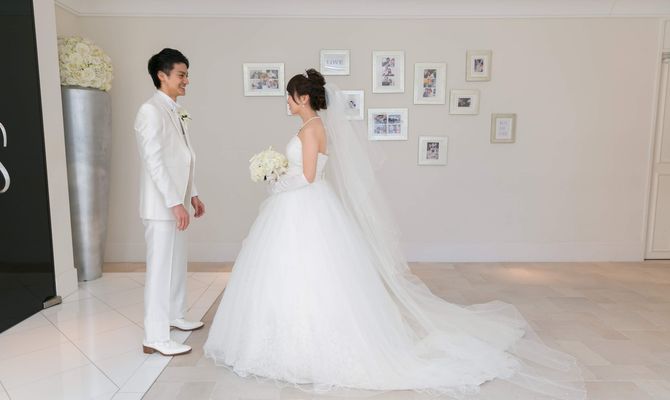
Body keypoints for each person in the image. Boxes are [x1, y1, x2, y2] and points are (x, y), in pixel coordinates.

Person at [204, 69, 585, 399]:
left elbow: (306, 176)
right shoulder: (313, 127)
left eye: (289, 96)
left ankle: (301, 347)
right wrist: (277, 177)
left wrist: (274, 179)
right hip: (308, 206)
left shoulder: (310, 129)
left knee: (303, 273)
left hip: (303, 205)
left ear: (302, 98)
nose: (286, 102)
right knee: (305, 274)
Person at [134, 48, 206, 356]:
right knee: (160, 270)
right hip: (161, 206)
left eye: (187, 74)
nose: (186, 80)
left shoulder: (176, 110)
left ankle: (175, 315)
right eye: (181, 75)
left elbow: (183, 157)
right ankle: (155, 336)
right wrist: (174, 202)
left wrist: (193, 194)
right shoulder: (150, 111)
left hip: (178, 202)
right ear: (162, 75)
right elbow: (154, 161)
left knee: (177, 265)